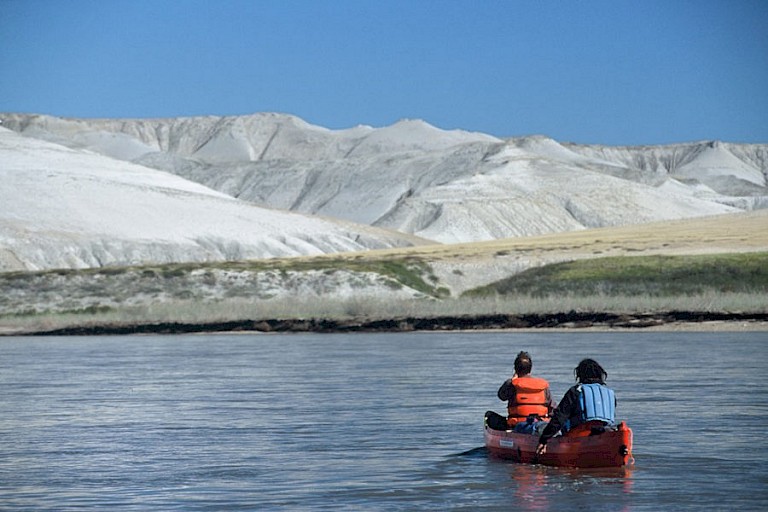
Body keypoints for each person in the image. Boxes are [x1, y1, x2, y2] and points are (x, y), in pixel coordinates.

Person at [536, 358, 617, 455]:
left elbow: (559, 418)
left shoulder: (576, 391)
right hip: (603, 434)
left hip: (579, 435)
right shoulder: (609, 393)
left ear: (580, 374)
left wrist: (544, 439)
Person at [485, 351, 556, 433]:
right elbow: (553, 408)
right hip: (541, 422)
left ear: (515, 369)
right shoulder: (543, 386)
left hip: (518, 425)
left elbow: (501, 396)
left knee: (490, 416)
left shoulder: (512, 384)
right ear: (530, 369)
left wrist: (512, 381)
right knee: (541, 425)